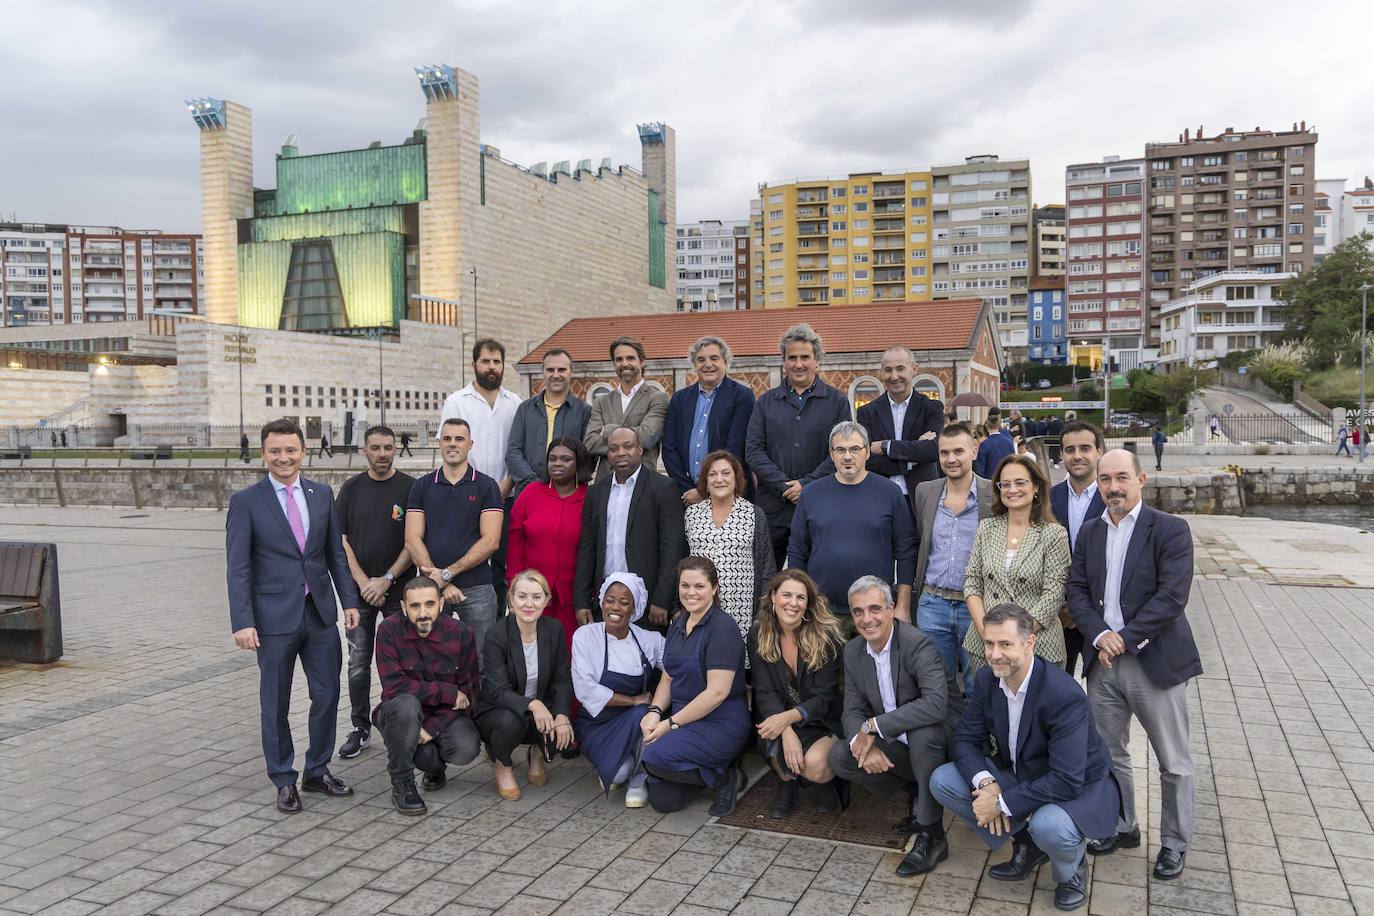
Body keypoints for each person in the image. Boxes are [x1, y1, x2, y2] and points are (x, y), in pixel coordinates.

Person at [930, 603, 1122, 912]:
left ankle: (1071, 872)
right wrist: (988, 783)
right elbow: (965, 739)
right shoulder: (986, 680)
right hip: (1027, 774)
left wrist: (1000, 804)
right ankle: (1026, 842)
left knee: (1049, 825)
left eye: (1005, 644)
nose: (994, 654)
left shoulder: (1064, 696)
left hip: (1078, 786)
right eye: (989, 643)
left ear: (1029, 643)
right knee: (943, 780)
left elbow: (1066, 779)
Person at [1068, 448, 1200, 881]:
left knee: (1173, 760)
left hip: (1153, 661)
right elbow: (1078, 593)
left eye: (1121, 478)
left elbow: (1172, 597)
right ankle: (1122, 825)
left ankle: (1175, 843)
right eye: (1105, 480)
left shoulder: (1171, 530)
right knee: (1109, 754)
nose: (1113, 487)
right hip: (1102, 663)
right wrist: (1100, 636)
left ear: (1141, 480)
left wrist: (1122, 638)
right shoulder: (1090, 532)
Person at [225, 418, 361, 813]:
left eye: (290, 450)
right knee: (276, 702)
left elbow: (335, 554)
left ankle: (317, 770)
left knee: (327, 695)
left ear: (303, 451)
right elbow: (238, 568)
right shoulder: (247, 502)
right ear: (264, 454)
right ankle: (283, 778)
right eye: (275, 451)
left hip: (319, 614)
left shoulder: (321, 495)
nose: (284, 457)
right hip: (272, 619)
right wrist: (242, 621)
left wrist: (349, 602)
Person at [827, 575, 963, 877]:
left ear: (891, 609)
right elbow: (852, 710)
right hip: (898, 741)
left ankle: (932, 835)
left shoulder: (918, 644)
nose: (867, 619)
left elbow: (936, 705)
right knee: (841, 756)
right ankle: (917, 789)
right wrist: (862, 744)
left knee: (923, 733)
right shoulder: (853, 651)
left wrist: (874, 726)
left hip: (942, 739)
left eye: (875, 609)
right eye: (858, 611)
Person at [639, 557, 752, 815]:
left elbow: (717, 693)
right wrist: (654, 711)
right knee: (662, 800)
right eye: (685, 585)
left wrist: (670, 724)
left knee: (653, 755)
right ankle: (712, 773)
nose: (691, 593)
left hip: (720, 723)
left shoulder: (723, 628)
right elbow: (668, 677)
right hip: (684, 719)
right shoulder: (678, 622)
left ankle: (725, 777)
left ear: (714, 588)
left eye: (699, 586)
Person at [789, 421, 916, 635]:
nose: (847, 456)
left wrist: (902, 605)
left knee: (875, 669)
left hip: (874, 613)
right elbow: (797, 551)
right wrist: (800, 601)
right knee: (822, 669)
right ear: (831, 454)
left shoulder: (890, 493)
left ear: (867, 452)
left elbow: (906, 551)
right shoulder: (811, 494)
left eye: (855, 449)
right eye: (841, 450)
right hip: (823, 612)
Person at [335, 425, 415, 760]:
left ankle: (400, 724)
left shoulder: (411, 487)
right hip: (360, 595)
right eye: (375, 448)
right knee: (358, 662)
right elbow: (341, 540)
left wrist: (385, 579)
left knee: (401, 661)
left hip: (399, 591)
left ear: (395, 449)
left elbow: (415, 540)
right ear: (364, 450)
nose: (382, 454)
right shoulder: (352, 489)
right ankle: (361, 727)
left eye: (387, 447)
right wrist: (365, 582)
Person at [745, 323, 853, 568]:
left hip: (820, 506)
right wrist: (784, 486)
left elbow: (842, 451)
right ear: (783, 362)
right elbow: (753, 450)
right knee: (766, 579)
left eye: (805, 357)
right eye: (792, 358)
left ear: (817, 361)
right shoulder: (766, 402)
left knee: (815, 578)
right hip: (773, 508)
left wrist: (807, 485)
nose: (798, 364)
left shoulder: (836, 401)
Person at [372, 576, 482, 815]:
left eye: (430, 604)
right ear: (403, 607)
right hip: (399, 713)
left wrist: (431, 728)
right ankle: (402, 783)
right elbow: (394, 687)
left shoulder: (461, 633)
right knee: (406, 706)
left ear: (441, 604)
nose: (423, 613)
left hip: (443, 716)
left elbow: (468, 693)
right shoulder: (389, 630)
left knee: (466, 747)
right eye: (414, 606)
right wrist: (446, 692)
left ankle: (434, 767)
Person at [962, 455, 1071, 682]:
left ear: (1036, 488)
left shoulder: (1053, 534)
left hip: (1036, 644)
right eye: (1005, 484)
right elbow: (972, 582)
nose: (1012, 489)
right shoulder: (987, 528)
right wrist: (990, 635)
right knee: (991, 713)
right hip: (987, 645)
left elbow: (1053, 595)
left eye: (1020, 482)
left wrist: (1013, 638)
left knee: (1036, 715)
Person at [405, 418, 504, 657]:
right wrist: (441, 582)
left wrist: (448, 573)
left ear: (470, 444)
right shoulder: (422, 486)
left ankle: (476, 697)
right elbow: (412, 540)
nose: (453, 444)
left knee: (482, 660)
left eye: (459, 439)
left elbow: (491, 540)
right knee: (429, 657)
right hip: (431, 590)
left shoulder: (487, 486)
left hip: (478, 589)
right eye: (447, 438)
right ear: (439, 443)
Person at [749, 570, 844, 819]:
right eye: (787, 595)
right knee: (769, 733)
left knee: (815, 765)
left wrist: (787, 719)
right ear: (773, 597)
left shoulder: (826, 637)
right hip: (778, 717)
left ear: (808, 603)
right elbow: (764, 690)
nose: (793, 603)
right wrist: (786, 729)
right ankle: (788, 781)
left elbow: (823, 699)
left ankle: (823, 782)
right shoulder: (758, 633)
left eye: (800, 598)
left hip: (820, 720)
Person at [473, 570, 574, 800]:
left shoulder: (554, 629)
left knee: (565, 721)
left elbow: (560, 678)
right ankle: (502, 764)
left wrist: (562, 715)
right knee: (509, 724)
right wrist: (533, 704)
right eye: (522, 596)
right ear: (511, 598)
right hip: (499, 710)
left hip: (537, 708)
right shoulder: (496, 635)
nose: (529, 604)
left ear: (547, 600)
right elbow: (498, 691)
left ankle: (537, 753)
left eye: (537, 597)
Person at [574, 427, 686, 630]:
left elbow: (672, 548)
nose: (621, 453)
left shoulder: (663, 488)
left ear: (640, 449)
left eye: (628, 446)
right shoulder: (596, 492)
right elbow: (587, 548)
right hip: (605, 600)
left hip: (647, 602)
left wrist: (662, 599)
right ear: (607, 454)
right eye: (614, 448)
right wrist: (581, 601)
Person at [911, 424, 995, 694]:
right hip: (932, 604)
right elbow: (921, 539)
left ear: (974, 450)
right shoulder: (925, 492)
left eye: (958, 451)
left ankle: (976, 737)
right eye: (944, 453)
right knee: (936, 686)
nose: (951, 459)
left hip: (976, 606)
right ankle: (943, 737)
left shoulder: (992, 494)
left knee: (977, 684)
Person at [439, 339, 522, 611]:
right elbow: (452, 449)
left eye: (496, 361)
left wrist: (505, 484)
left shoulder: (515, 403)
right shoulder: (456, 402)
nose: (491, 367)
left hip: (505, 497)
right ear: (474, 364)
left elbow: (517, 449)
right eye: (485, 361)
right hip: (465, 497)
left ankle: (497, 625)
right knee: (463, 561)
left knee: (501, 565)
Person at [571, 572, 666, 808]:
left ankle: (640, 777)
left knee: (646, 712)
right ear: (601, 602)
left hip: (637, 720)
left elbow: (677, 668)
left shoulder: (649, 640)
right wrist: (634, 700)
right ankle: (627, 766)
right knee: (616, 775)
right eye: (610, 600)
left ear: (635, 608)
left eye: (624, 602)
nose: (615, 607)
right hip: (596, 723)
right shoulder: (585, 636)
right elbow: (586, 690)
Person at [507, 437, 592, 654]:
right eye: (552, 459)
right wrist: (514, 585)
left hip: (573, 597)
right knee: (533, 652)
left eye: (566, 459)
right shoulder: (531, 493)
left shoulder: (591, 498)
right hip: (532, 596)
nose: (557, 464)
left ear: (578, 463)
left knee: (569, 653)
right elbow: (515, 540)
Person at [683, 450, 775, 646]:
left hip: (741, 610)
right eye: (712, 474)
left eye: (726, 473)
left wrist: (763, 612)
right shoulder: (692, 514)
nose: (719, 480)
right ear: (705, 481)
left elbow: (767, 567)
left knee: (736, 666)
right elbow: (681, 561)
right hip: (699, 605)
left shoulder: (753, 514)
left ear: (736, 478)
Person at [662, 336, 755, 505]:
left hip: (730, 495)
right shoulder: (679, 399)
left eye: (714, 358)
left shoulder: (742, 396)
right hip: (687, 498)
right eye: (701, 360)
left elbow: (735, 448)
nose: (708, 364)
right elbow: (669, 448)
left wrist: (703, 490)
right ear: (694, 365)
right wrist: (686, 490)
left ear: (725, 362)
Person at [858, 345, 945, 512]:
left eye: (900, 369)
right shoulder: (867, 412)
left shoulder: (931, 408)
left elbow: (934, 450)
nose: (894, 376)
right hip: (879, 501)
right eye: (888, 370)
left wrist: (886, 446)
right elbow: (865, 459)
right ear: (881, 373)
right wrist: (913, 458)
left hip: (922, 500)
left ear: (914, 369)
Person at [1050, 421, 1106, 678]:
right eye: (1069, 450)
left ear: (1099, 451)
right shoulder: (1049, 498)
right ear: (1062, 455)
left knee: (1104, 697)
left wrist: (1081, 607)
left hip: (1101, 615)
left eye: (1085, 448)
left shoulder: (1113, 497)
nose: (1077, 456)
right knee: (1058, 691)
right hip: (1058, 615)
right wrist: (1063, 604)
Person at [507, 348, 592, 497]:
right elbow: (513, 452)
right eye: (550, 370)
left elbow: (589, 457)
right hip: (529, 493)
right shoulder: (525, 409)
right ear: (543, 372)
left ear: (571, 372)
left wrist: (565, 484)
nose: (556, 375)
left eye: (562, 370)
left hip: (568, 495)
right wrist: (534, 484)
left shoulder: (585, 411)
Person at [585, 336, 669, 481]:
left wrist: (608, 431)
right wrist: (632, 439)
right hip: (606, 482)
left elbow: (647, 437)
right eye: (619, 360)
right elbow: (590, 443)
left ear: (642, 361)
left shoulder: (657, 398)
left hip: (643, 483)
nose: (624, 363)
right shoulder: (602, 401)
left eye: (630, 358)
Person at [973, 408, 1014, 478]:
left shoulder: (985, 444)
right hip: (1006, 478)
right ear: (998, 425)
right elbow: (1013, 462)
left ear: (987, 426)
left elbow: (981, 468)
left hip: (990, 481)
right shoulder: (1009, 442)